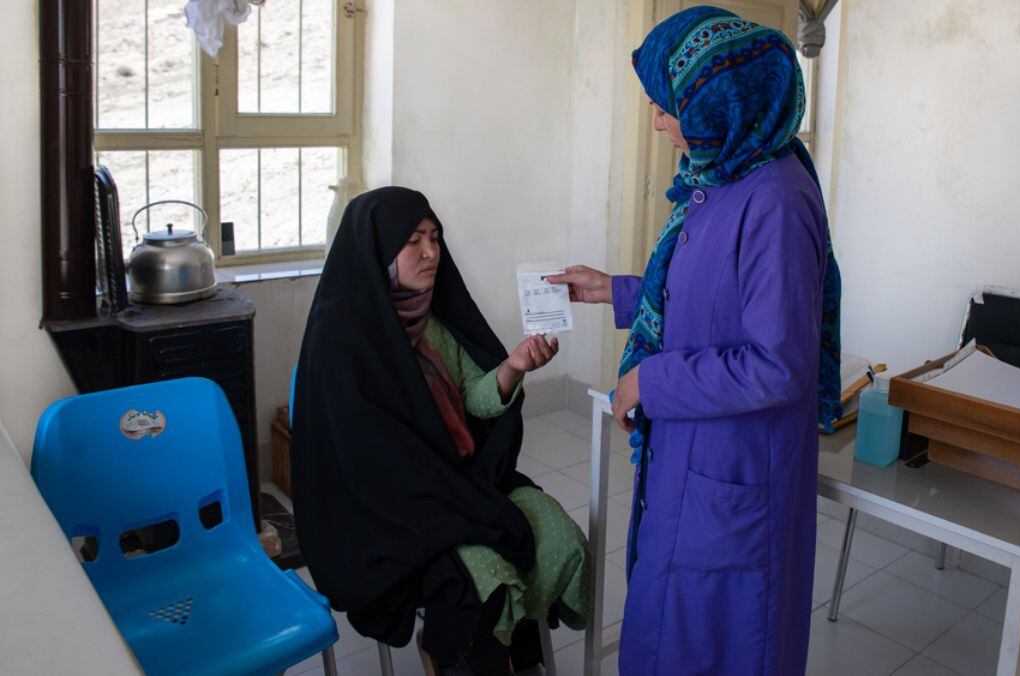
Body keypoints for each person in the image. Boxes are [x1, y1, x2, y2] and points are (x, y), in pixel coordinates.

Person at [548, 7, 842, 674]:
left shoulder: (776, 201)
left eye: (665, 106)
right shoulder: (726, 174)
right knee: (668, 633)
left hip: (737, 476)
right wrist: (615, 292)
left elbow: (777, 363)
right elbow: (707, 298)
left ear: (720, 102)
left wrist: (648, 381)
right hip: (696, 459)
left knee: (721, 646)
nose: (656, 122)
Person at [291, 187, 589, 676]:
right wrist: (443, 490)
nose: (432, 252)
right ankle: (462, 656)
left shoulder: (433, 324)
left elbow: (474, 396)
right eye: (414, 240)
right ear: (379, 249)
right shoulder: (341, 340)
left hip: (454, 482)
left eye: (435, 237)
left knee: (558, 535)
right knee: (484, 577)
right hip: (387, 505)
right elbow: (362, 459)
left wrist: (512, 367)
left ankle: (515, 651)